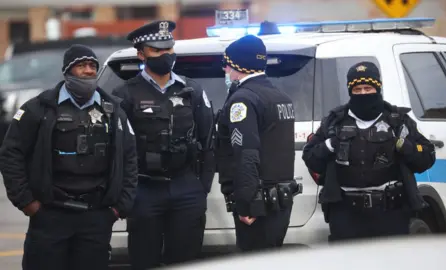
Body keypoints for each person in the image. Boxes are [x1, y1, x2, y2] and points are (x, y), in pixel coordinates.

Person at [0, 44, 138, 270]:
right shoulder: (39, 109)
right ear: (67, 71)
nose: (88, 71)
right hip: (50, 214)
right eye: (81, 66)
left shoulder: (113, 111)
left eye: (93, 66)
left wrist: (119, 207)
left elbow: (130, 157)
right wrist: (28, 203)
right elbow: (10, 154)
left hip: (96, 217)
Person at [111, 20, 215, 269]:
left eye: (168, 49)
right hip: (144, 189)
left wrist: (202, 187)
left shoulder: (192, 90)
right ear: (141, 54)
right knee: (143, 259)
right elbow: (116, 150)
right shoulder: (124, 94)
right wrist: (125, 193)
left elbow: (208, 140)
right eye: (157, 51)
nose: (165, 55)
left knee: (186, 260)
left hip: (186, 187)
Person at [302, 61, 436, 242]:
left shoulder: (397, 121)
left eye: (368, 88)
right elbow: (310, 157)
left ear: (377, 88)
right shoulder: (335, 122)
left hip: (391, 213)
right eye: (357, 90)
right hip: (346, 216)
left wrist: (403, 146)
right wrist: (331, 145)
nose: (363, 94)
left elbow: (427, 157)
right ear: (350, 92)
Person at [215, 35, 301, 252]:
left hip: (258, 205)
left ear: (239, 65)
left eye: (228, 65)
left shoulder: (243, 100)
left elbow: (247, 154)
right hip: (279, 201)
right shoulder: (281, 97)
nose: (226, 71)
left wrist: (246, 204)